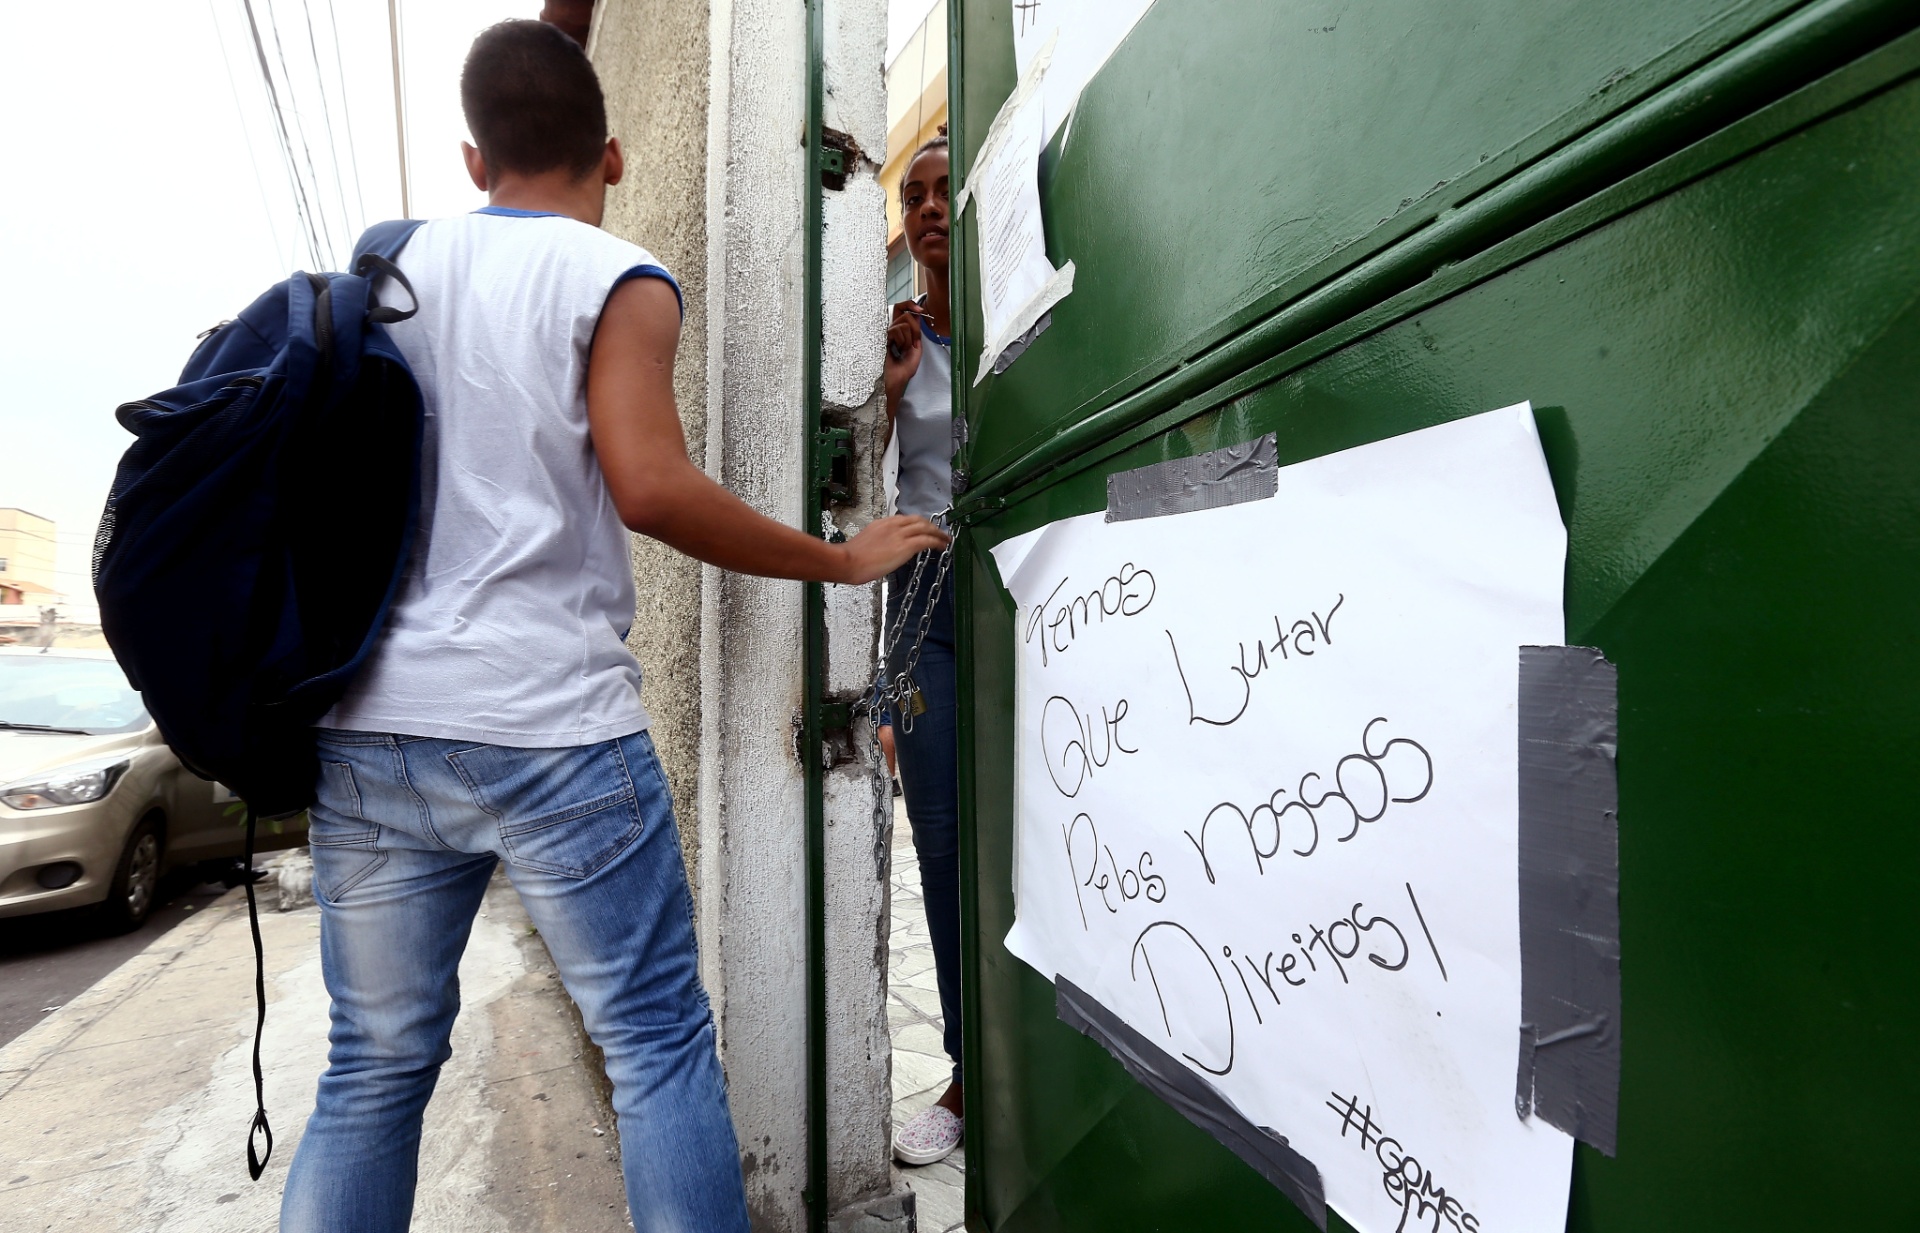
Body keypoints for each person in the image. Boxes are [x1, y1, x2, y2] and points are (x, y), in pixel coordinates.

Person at [278, 21, 947, 1233]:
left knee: (370, 1074)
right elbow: (651, 485)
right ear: (617, 157)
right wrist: (838, 560)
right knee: (655, 1051)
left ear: (476, 163)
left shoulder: (385, 272)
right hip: (551, 728)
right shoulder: (615, 277)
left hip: (370, 728)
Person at [880, 131, 966, 1168]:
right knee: (938, 840)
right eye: (916, 194)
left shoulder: (1029, 323)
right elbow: (859, 478)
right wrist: (895, 384)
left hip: (1021, 595)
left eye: (947, 190)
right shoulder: (894, 337)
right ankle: (962, 1071)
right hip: (920, 612)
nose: (932, 206)